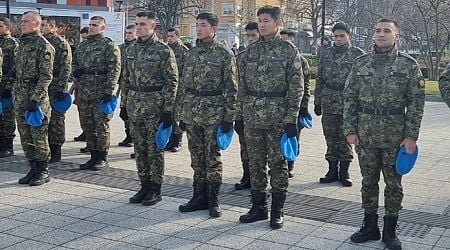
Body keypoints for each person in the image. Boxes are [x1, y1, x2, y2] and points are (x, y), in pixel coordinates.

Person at [344, 19, 425, 250]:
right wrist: (349, 129)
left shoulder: (408, 65)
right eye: (377, 31)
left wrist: (411, 136)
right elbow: (349, 98)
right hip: (366, 134)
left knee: (393, 184)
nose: (381, 34)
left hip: (395, 135)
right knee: (368, 182)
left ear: (396, 36)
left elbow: (416, 103)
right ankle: (370, 226)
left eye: (386, 31)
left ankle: (390, 229)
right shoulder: (360, 64)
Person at [237, 5, 304, 229]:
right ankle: (258, 207)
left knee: (278, 164)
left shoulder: (288, 51)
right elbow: (242, 87)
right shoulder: (250, 52)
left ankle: (277, 210)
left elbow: (297, 87)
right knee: (255, 163)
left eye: (266, 20)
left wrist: (291, 119)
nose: (262, 24)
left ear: (277, 24)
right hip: (253, 116)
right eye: (260, 21)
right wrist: (239, 115)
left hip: (278, 117)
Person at [177, 12, 237, 218]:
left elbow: (231, 88)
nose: (199, 29)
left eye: (203, 25)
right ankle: (198, 197)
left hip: (214, 112)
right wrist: (182, 114)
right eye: (197, 25)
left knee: (212, 158)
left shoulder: (223, 54)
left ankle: (213, 199)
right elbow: (184, 86)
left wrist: (229, 118)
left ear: (213, 29)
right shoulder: (191, 53)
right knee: (196, 157)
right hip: (192, 111)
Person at [122, 12, 178, 206]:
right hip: (135, 105)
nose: (138, 27)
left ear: (153, 26)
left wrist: (168, 110)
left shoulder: (163, 50)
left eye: (143, 24)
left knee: (154, 149)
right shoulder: (130, 49)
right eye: (136, 24)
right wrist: (123, 104)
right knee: (139, 148)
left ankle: (155, 188)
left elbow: (172, 82)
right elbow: (126, 79)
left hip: (155, 105)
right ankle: (144, 185)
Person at [314, 23, 364, 187]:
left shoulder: (357, 55)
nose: (338, 39)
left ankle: (344, 172)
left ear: (349, 36)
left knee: (346, 137)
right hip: (329, 101)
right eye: (336, 36)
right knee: (330, 137)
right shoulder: (326, 53)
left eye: (342, 36)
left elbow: (362, 83)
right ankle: (332, 170)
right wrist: (318, 101)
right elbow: (320, 78)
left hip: (348, 103)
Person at [73, 16, 121, 171]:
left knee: (101, 125)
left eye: (95, 25)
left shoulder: (109, 45)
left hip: (101, 92)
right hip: (85, 91)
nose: (91, 27)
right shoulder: (83, 46)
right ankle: (92, 155)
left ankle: (102, 157)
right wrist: (77, 71)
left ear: (103, 27)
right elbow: (75, 63)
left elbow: (114, 69)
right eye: (90, 25)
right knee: (88, 125)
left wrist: (109, 91)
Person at [15, 11, 55, 186]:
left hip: (35, 98)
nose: (22, 24)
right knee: (25, 135)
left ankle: (43, 170)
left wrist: (35, 98)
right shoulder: (22, 44)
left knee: (38, 136)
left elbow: (46, 76)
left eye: (26, 21)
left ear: (37, 24)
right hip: (20, 96)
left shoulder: (43, 45)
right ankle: (32, 168)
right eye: (21, 21)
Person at [280, 29, 311, 178]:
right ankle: (281, 163)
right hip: (278, 107)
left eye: (287, 39)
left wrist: (304, 107)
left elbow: (304, 87)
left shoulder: (301, 61)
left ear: (293, 40)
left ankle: (291, 163)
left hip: (295, 106)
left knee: (293, 136)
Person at [41, 16, 72, 164]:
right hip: (43, 86)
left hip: (56, 85)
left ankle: (56, 149)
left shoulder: (60, 43)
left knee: (57, 119)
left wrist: (61, 87)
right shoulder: (40, 42)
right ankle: (45, 148)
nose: (42, 28)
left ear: (53, 27)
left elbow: (66, 67)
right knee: (44, 117)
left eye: (45, 25)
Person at [234, 21, 259, 190]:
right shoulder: (241, 57)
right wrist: (237, 115)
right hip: (246, 110)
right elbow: (237, 88)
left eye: (253, 35)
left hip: (268, 112)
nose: (250, 39)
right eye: (248, 36)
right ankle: (247, 176)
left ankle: (260, 181)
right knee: (245, 146)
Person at [166, 27, 188, 153]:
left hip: (180, 87)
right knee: (168, 113)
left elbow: (186, 72)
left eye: (172, 36)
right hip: (168, 87)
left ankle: (177, 140)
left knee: (177, 115)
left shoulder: (183, 51)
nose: (169, 39)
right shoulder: (166, 49)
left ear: (178, 37)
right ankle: (170, 139)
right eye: (168, 36)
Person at [0, 17, 18, 158]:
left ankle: (8, 146)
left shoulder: (12, 44)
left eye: (0, 26)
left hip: (6, 84)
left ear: (8, 28)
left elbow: (16, 67)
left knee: (7, 116)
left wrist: (9, 86)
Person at [117, 24, 136, 148]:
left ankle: (134, 138)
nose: (128, 35)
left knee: (133, 112)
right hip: (124, 84)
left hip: (134, 85)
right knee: (124, 111)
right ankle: (128, 135)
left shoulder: (136, 48)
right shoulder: (121, 48)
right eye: (126, 33)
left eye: (130, 33)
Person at [72, 26, 89, 144]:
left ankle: (90, 138)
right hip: (80, 85)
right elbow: (74, 63)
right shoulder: (80, 48)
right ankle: (85, 131)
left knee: (91, 115)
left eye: (85, 37)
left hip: (92, 87)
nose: (84, 40)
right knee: (81, 111)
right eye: (82, 38)